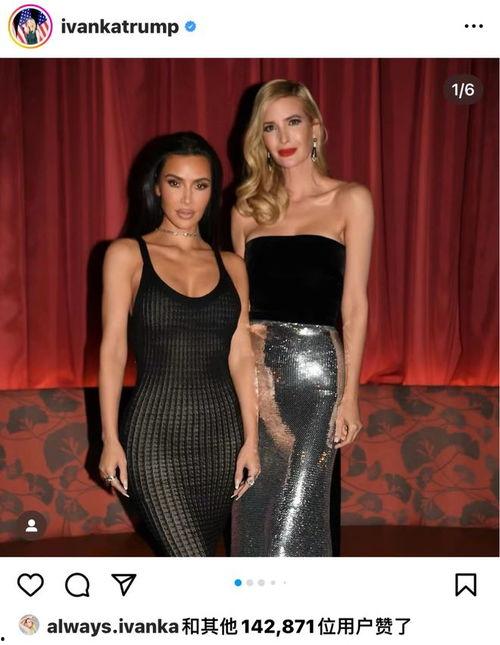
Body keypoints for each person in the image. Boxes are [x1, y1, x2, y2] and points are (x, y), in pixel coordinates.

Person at [98, 132, 259, 556]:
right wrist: (110, 438)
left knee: (198, 556)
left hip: (222, 437)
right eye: (175, 183)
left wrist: (252, 440)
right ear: (156, 186)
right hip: (153, 435)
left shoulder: (233, 266)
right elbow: (113, 352)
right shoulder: (127, 255)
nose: (187, 198)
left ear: (212, 191)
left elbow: (241, 356)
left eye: (200, 185)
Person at [231, 80, 373, 556]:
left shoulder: (350, 200)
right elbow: (238, 313)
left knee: (300, 511)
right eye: (270, 127)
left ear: (315, 128)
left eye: (293, 121)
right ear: (260, 139)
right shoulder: (246, 209)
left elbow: (355, 305)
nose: (284, 136)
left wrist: (351, 396)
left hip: (318, 377)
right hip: (256, 374)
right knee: (253, 508)